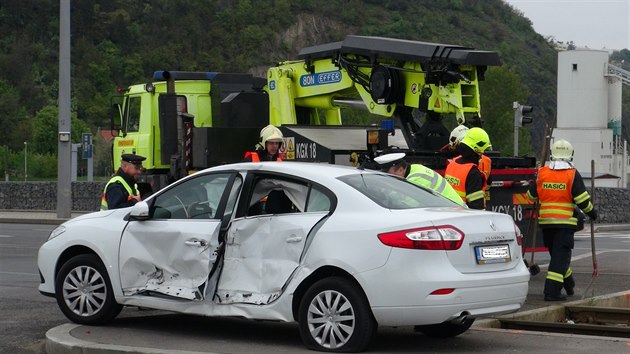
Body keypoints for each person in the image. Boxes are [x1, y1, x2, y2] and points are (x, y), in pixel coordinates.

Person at [527, 139, 597, 301]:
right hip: (565, 224)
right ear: (570, 155)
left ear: (552, 154)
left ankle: (569, 285)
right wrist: (592, 212)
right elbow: (582, 200)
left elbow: (530, 196)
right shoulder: (572, 174)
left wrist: (535, 181)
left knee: (558, 256)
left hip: (546, 224)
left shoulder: (542, 172)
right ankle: (551, 293)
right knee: (560, 258)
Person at [375, 152, 465, 206]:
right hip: (448, 212)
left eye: (389, 174)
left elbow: (407, 204)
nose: (388, 178)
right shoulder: (413, 169)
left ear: (401, 170)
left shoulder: (417, 179)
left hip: (456, 214)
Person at [444, 127, 491, 210]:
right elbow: (476, 207)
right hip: (463, 217)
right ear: (477, 150)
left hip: (449, 214)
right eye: (483, 150)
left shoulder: (452, 163)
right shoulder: (473, 173)